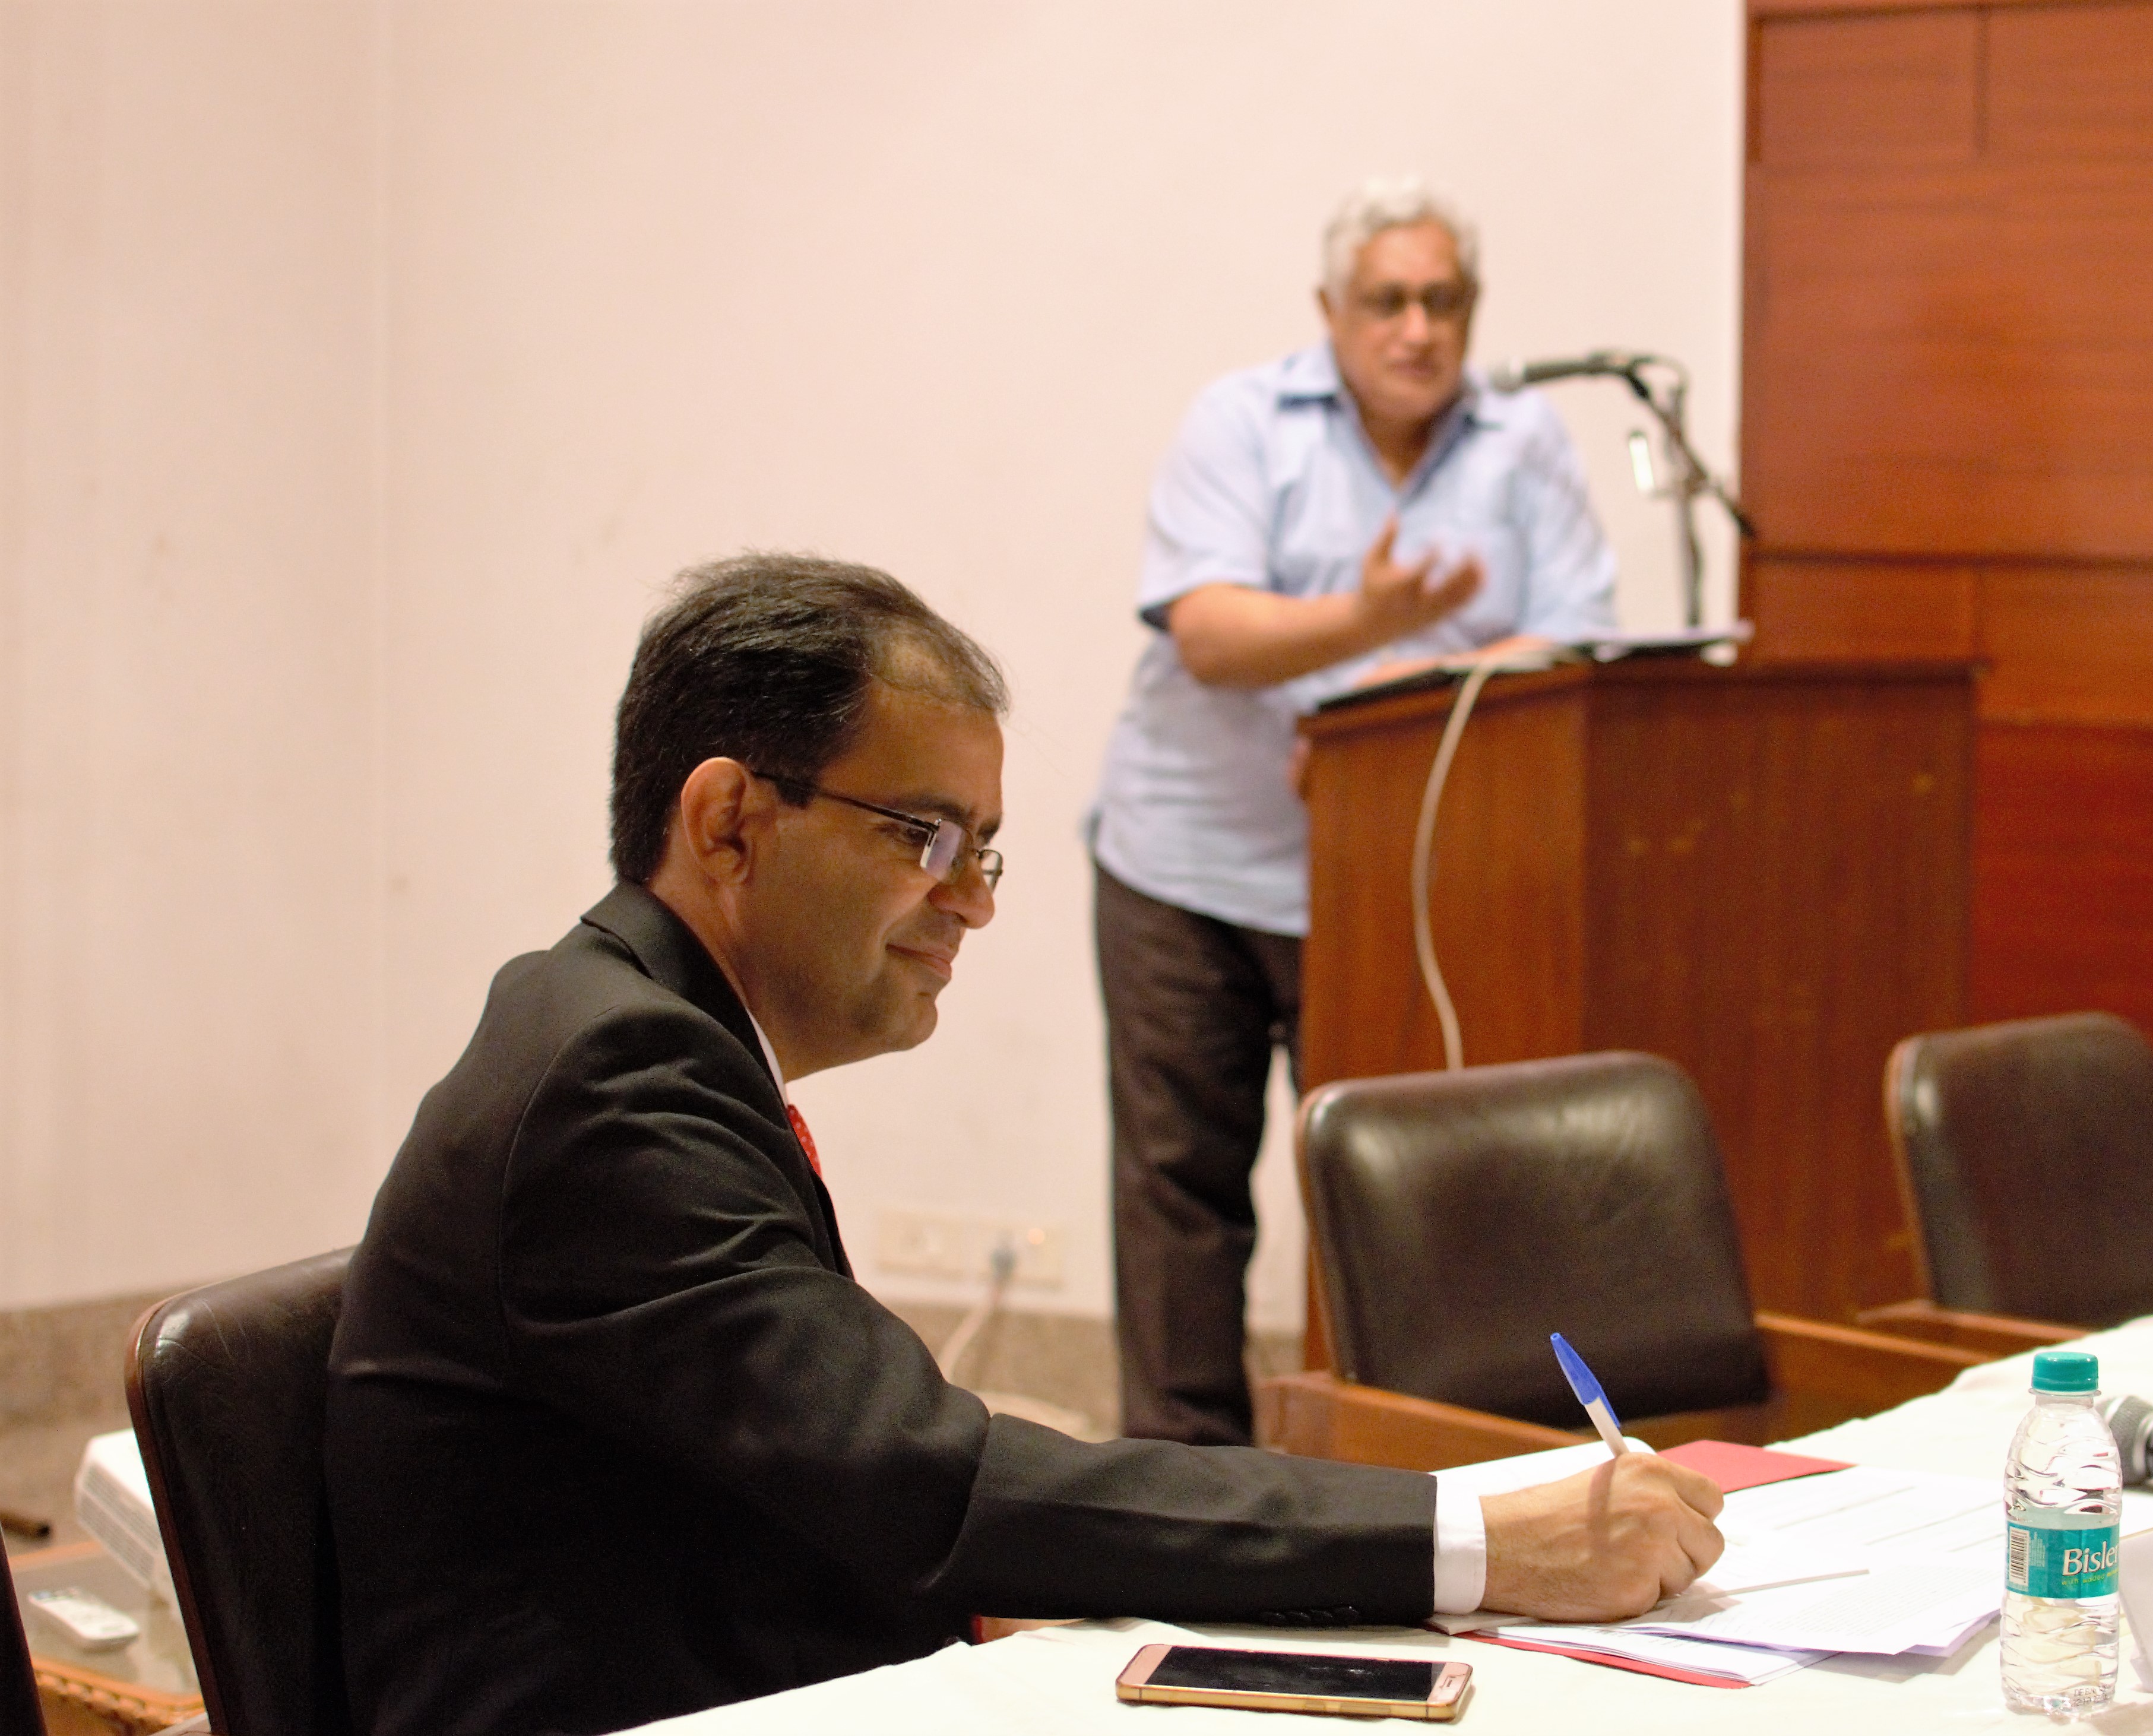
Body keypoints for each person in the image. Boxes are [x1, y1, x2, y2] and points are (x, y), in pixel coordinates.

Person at [325, 555, 1715, 1736]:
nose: (971, 904)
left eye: (984, 850)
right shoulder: (611, 1080)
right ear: (728, 821)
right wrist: (1469, 1545)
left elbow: (874, 1469)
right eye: (925, 838)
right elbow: (929, 1481)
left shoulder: (638, 1035)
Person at [1091, 176, 1617, 1446]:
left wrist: (1418, 685)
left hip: (1401, 893)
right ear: (1332, 311)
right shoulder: (1244, 422)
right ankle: (1180, 1484)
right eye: (1387, 301)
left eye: (1443, 300)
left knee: (1394, 1190)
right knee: (1181, 1196)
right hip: (1193, 866)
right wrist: (1365, 630)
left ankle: (1391, 1469)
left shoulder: (1523, 437)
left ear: (1473, 308)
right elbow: (1211, 630)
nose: (1417, 328)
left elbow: (1583, 639)